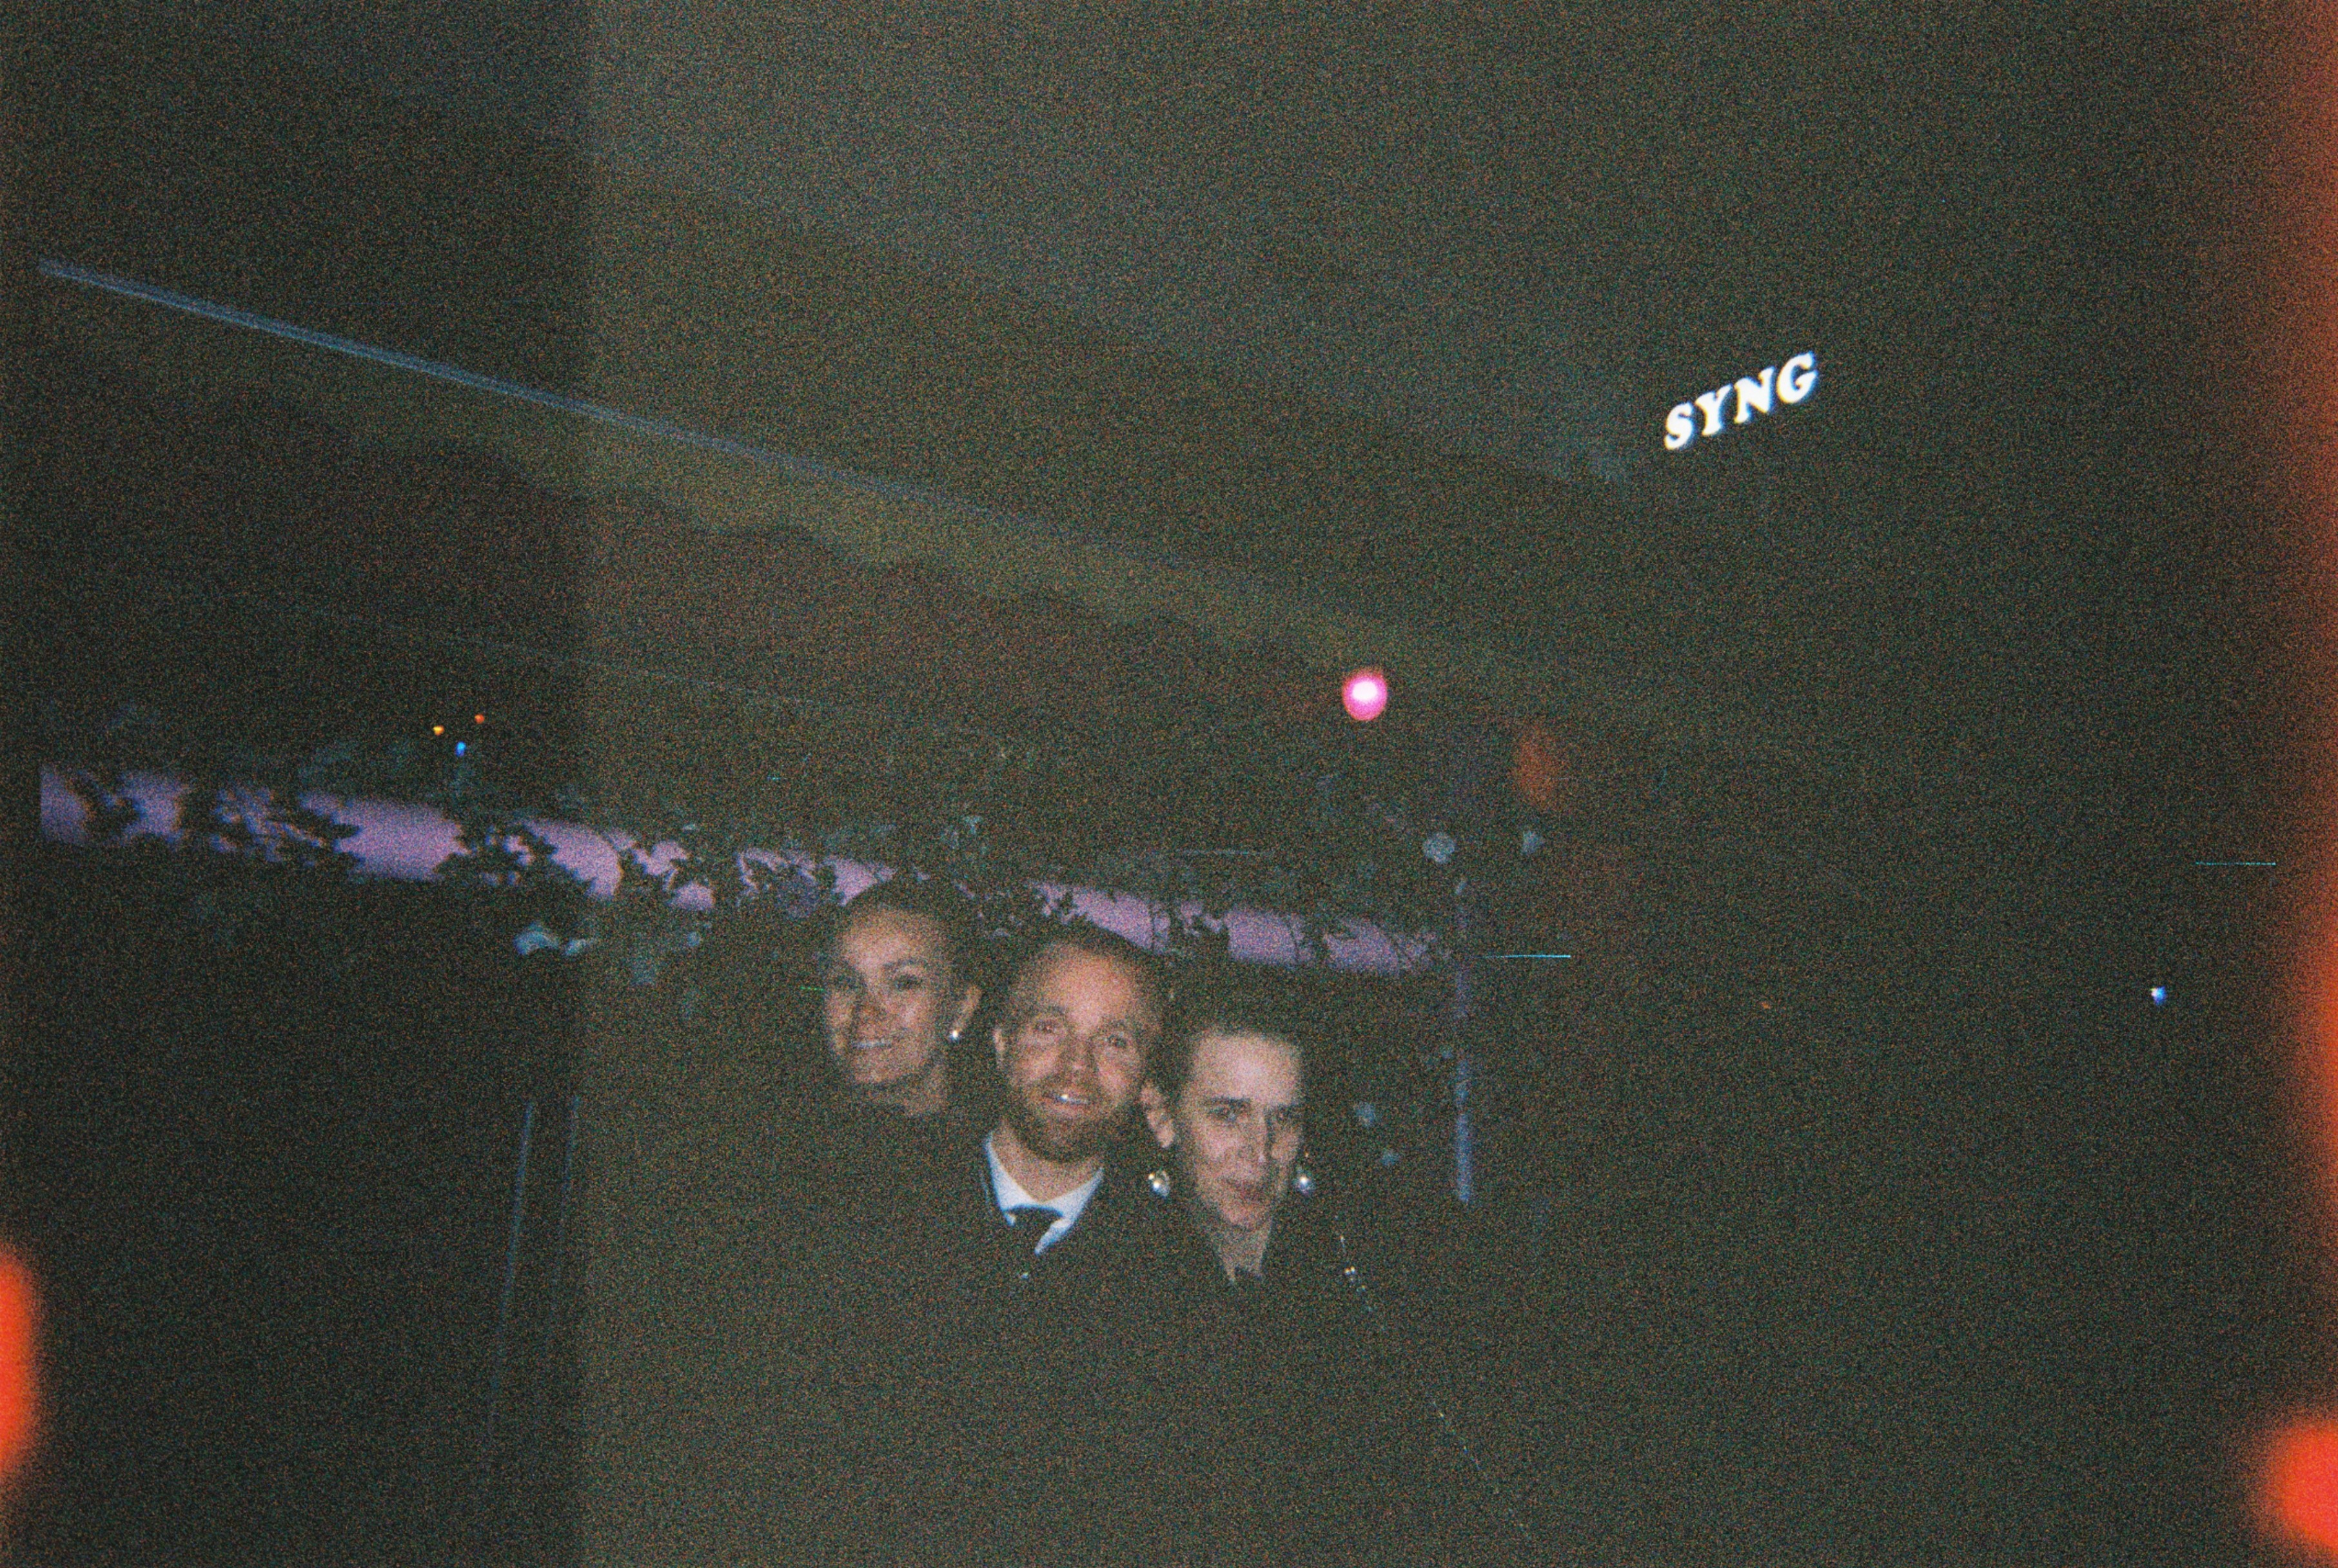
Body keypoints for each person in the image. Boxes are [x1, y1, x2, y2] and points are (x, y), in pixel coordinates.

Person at [825, 923, 1230, 1568]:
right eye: (1049, 1028)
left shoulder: (1175, 1285)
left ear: (1145, 1078)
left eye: (1115, 1041)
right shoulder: (865, 1220)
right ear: (1000, 1042)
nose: (1077, 1066)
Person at [1140, 981, 1515, 1567]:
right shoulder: (1124, 1276)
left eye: (1284, 1120)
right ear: (1162, 1117)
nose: (1260, 1152)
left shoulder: (1375, 1262)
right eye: (1228, 1115)